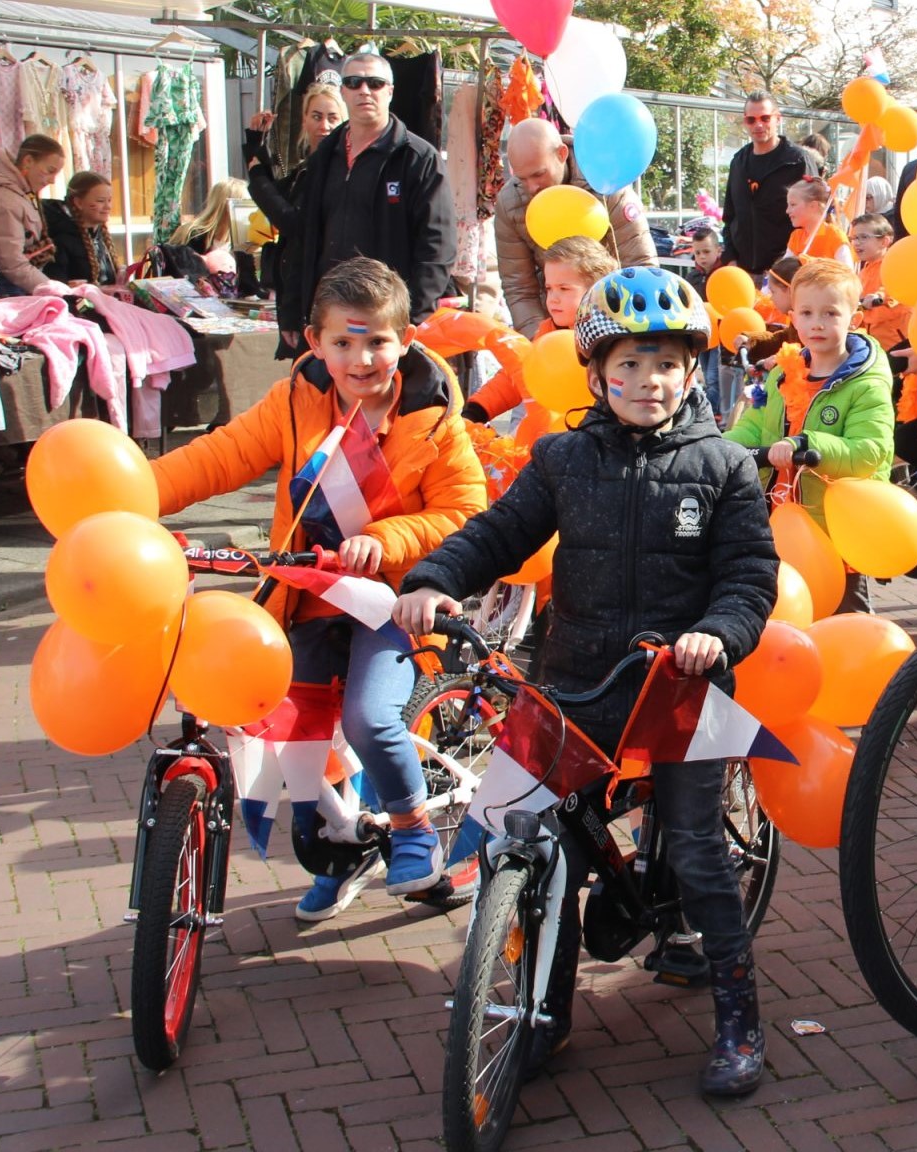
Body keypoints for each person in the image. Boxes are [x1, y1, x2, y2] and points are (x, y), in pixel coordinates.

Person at [392, 267, 780, 1094]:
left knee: (704, 857)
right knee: (521, 838)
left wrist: (717, 634)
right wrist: (432, 579)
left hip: (681, 685)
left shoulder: (724, 465)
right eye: (630, 365)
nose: (649, 382)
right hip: (572, 681)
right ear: (598, 373)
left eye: (667, 364)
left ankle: (740, 1021)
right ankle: (546, 1013)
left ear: (691, 369)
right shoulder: (563, 459)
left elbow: (749, 575)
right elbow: (498, 531)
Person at [150, 257, 487, 917]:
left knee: (368, 718)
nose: (361, 358)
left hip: (390, 605)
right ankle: (342, 849)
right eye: (344, 342)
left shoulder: (436, 421)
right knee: (281, 744)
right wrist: (137, 492)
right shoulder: (294, 401)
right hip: (302, 602)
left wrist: (385, 540)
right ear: (314, 343)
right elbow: (221, 456)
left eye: (377, 342)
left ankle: (414, 828)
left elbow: (464, 512)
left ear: (406, 341)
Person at [726, 258, 894, 611]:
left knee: (846, 617)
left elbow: (870, 451)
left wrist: (806, 443)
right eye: (806, 313)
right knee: (782, 613)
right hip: (781, 521)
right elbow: (757, 426)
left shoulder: (867, 384)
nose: (816, 324)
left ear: (855, 319)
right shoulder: (782, 374)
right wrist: (721, 446)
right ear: (793, 317)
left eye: (831, 314)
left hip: (837, 529)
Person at [282, 51, 454, 355]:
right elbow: (302, 238)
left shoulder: (418, 159)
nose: (364, 90)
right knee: (321, 401)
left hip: (383, 326)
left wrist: (408, 321)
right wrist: (292, 308)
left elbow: (437, 249)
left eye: (375, 83)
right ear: (344, 92)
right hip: (328, 321)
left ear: (390, 91)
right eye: (354, 82)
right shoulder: (324, 156)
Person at [495, 117, 657, 334]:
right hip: (556, 330)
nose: (531, 187)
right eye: (522, 179)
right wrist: (541, 342)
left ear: (561, 154)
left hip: (617, 323)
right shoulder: (510, 202)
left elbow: (640, 265)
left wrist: (631, 334)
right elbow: (519, 288)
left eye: (538, 174)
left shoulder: (606, 182)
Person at [463, 235, 616, 424]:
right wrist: (477, 411)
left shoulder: (612, 337)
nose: (553, 298)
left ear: (596, 290)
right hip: (553, 433)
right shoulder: (548, 332)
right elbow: (517, 374)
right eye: (549, 288)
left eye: (564, 289)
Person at [244, 78, 347, 306]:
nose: (324, 126)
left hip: (319, 287)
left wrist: (258, 176)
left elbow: (291, 221)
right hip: (295, 285)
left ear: (344, 122)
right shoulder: (307, 166)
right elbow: (276, 195)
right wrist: (256, 142)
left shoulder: (339, 169)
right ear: (305, 120)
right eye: (317, 117)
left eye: (332, 118)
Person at [721, 91, 821, 276]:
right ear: (745, 122)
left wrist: (789, 264)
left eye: (765, 118)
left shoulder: (797, 160)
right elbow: (730, 216)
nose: (758, 125)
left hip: (786, 274)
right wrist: (731, 258)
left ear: (777, 119)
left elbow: (815, 218)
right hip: (742, 274)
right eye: (751, 120)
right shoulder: (739, 162)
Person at [0, 134, 66, 297]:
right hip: (4, 291)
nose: (52, 180)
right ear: (28, 161)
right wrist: (51, 289)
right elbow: (13, 263)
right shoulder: (5, 201)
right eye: (50, 171)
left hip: (12, 285)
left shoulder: (17, 196)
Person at [41, 171, 122, 289]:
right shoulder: (61, 240)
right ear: (78, 202)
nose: (108, 207)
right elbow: (56, 285)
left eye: (109, 200)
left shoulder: (100, 237)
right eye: (100, 201)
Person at [852, 212, 909, 350]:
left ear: (884, 241)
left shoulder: (894, 262)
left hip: (898, 339)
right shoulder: (863, 271)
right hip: (875, 341)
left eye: (864, 237)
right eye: (854, 238)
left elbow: (896, 288)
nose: (857, 243)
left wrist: (879, 296)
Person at [784, 176, 855, 267]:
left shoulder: (835, 236)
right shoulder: (796, 236)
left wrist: (815, 264)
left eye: (793, 204)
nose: (787, 210)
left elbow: (848, 273)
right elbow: (784, 271)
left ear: (813, 206)